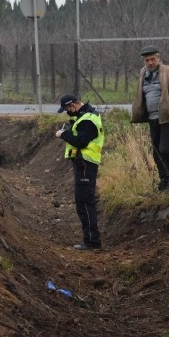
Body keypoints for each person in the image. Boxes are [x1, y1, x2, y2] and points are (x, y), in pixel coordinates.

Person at [131, 45, 169, 190]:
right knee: (157, 152)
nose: (150, 62)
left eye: (152, 59)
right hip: (152, 118)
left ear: (158, 58)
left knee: (165, 149)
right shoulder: (143, 74)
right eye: (147, 60)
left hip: (168, 117)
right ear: (144, 62)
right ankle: (165, 182)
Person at [55, 94, 104, 250]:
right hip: (84, 163)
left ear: (73, 105)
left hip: (85, 163)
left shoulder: (88, 119)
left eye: (67, 109)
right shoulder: (85, 115)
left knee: (84, 202)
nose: (67, 112)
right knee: (83, 201)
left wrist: (64, 134)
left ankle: (92, 242)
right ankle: (91, 240)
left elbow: (81, 142)